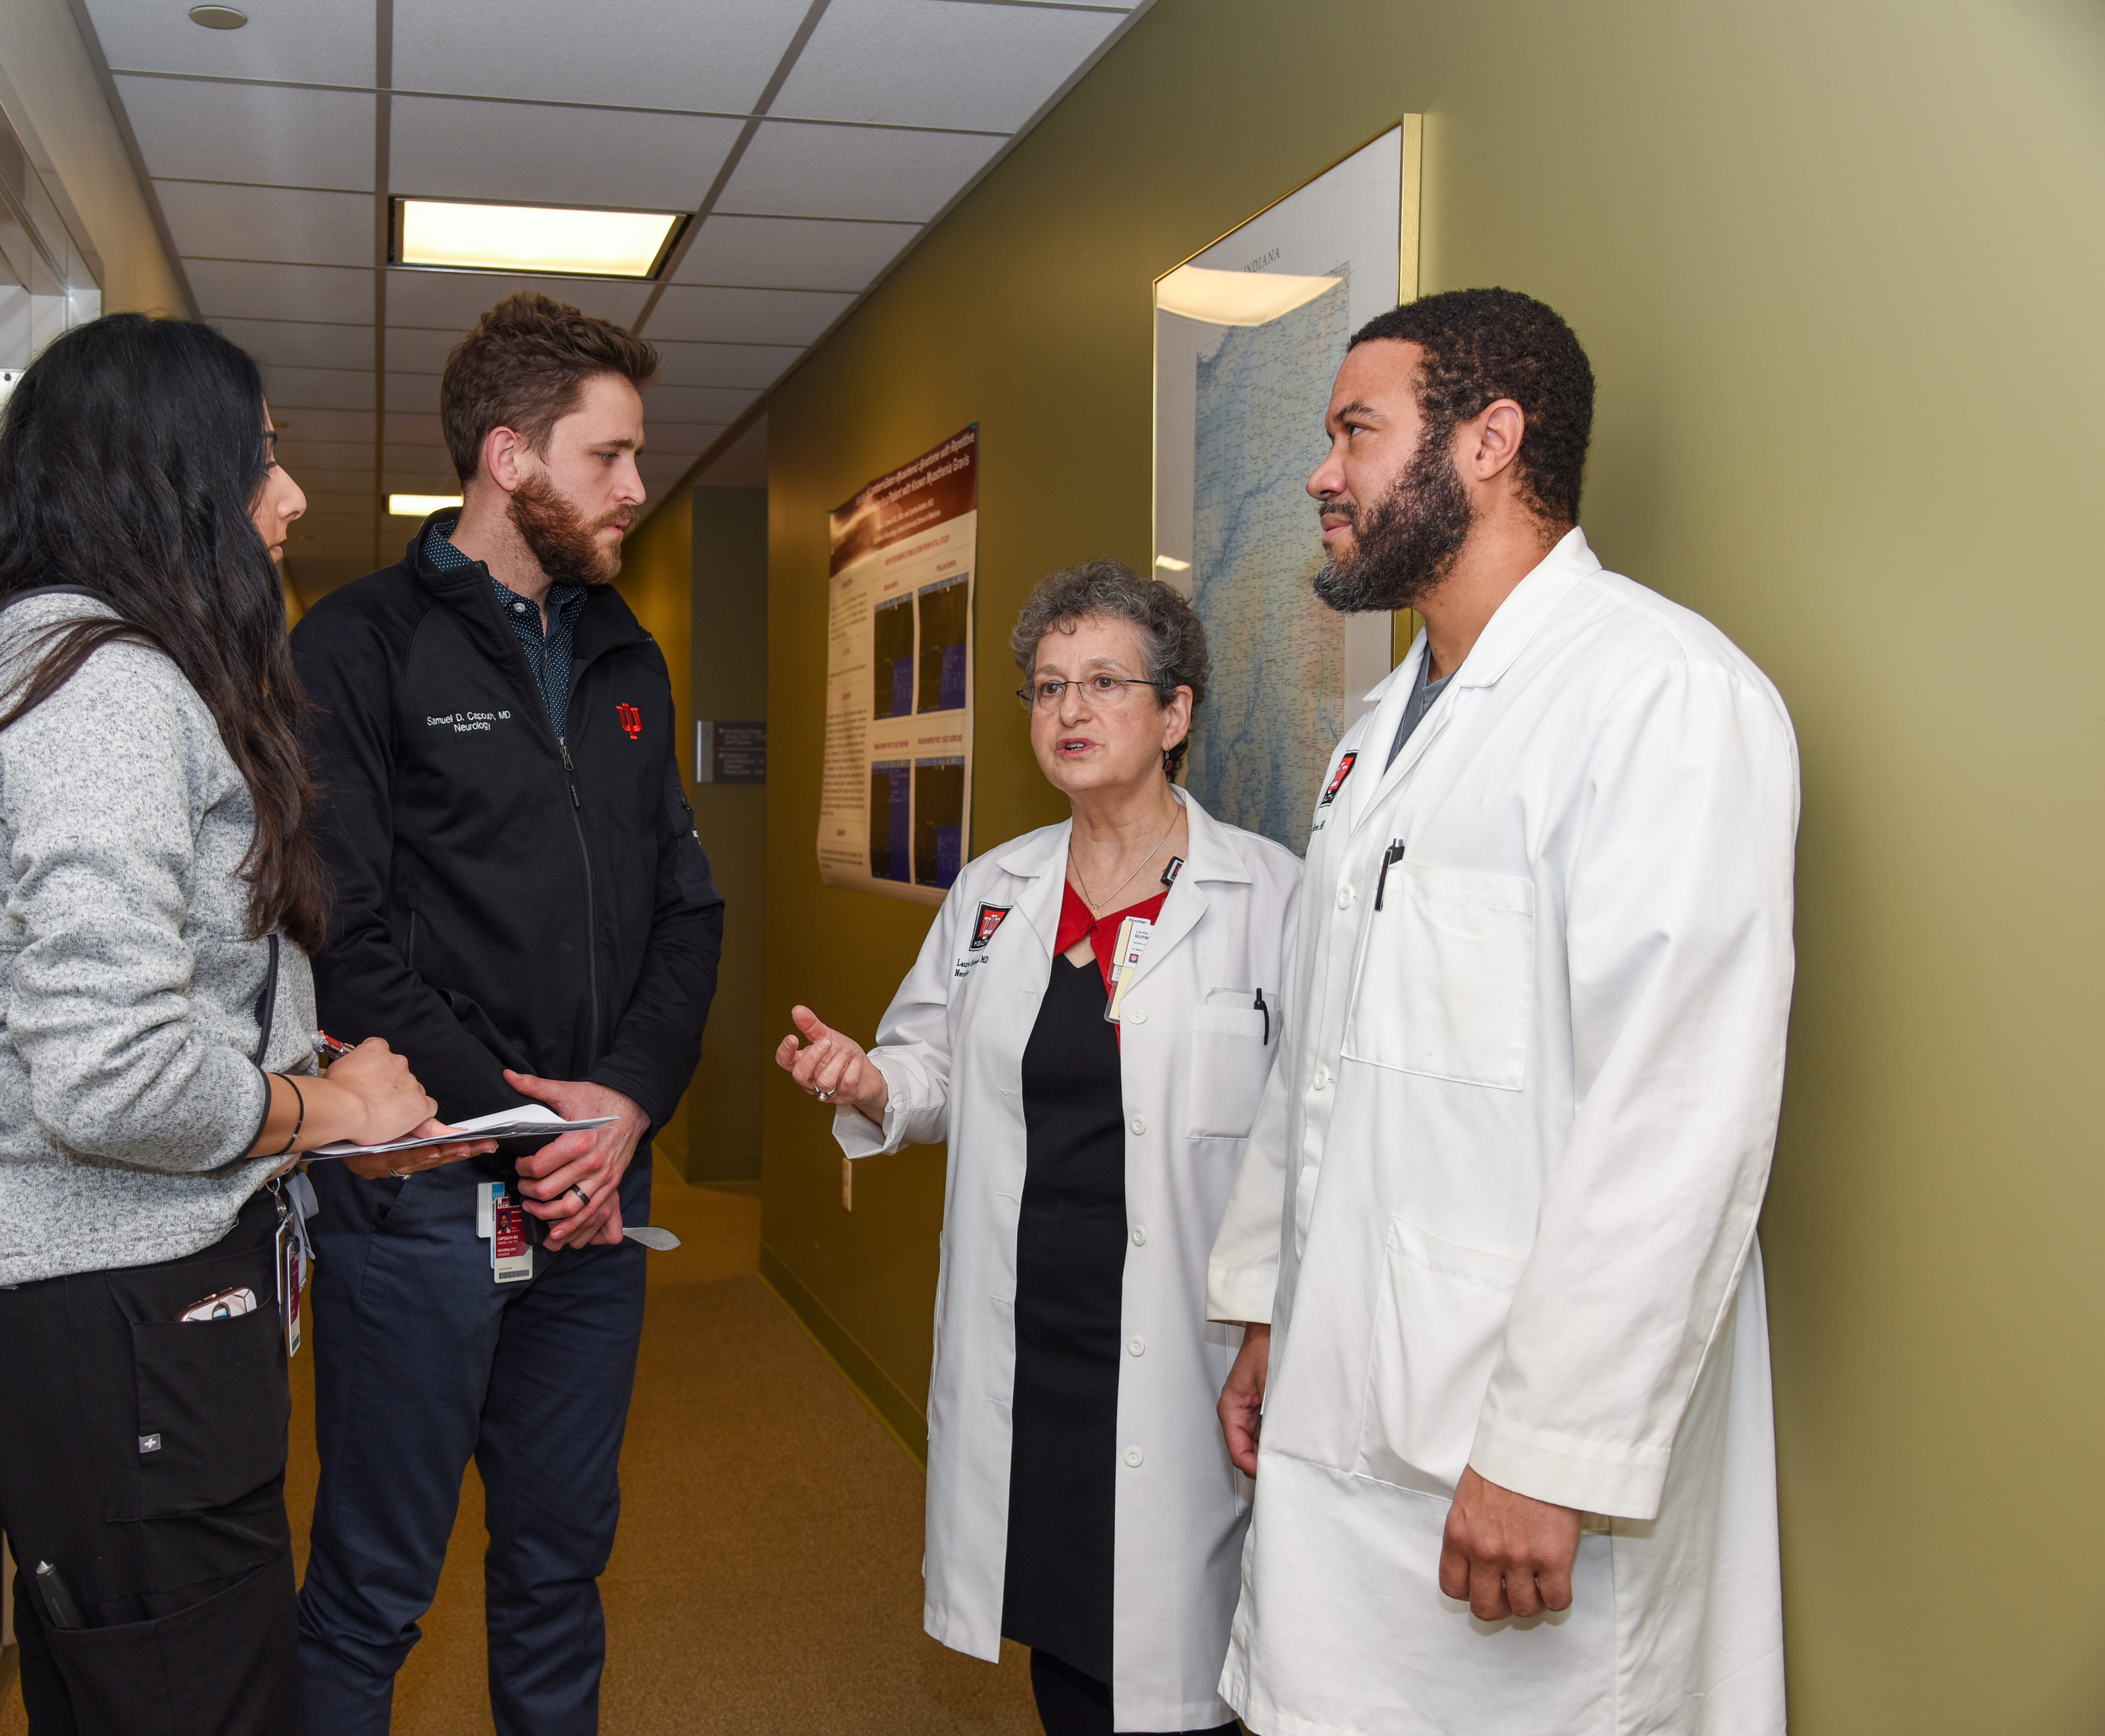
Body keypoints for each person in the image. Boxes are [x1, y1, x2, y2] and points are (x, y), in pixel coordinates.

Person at [0, 314, 490, 1736]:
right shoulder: (106, 691)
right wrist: (334, 1113)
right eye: (264, 457)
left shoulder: (66, 665)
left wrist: (314, 1093)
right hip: (115, 1313)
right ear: (171, 474)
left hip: (115, 1299)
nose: (293, 497)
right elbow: (111, 1074)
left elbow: (149, 1012)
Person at [1208, 288, 1796, 1735]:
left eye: (1357, 430)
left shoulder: (1660, 696)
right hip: (1355, 1387)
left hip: (1519, 1448)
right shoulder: (1374, 738)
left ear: (1491, 441)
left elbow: (1681, 1107)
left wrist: (1554, 1449)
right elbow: (1323, 1064)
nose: (1321, 474)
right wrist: (1271, 1305)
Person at [287, 292, 724, 1734]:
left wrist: (624, 1106)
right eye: (609, 456)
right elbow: (343, 936)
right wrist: (526, 1117)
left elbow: (688, 909)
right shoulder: (356, 647)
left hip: (596, 1199)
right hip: (422, 1199)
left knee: (556, 1568)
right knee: (373, 1584)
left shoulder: (629, 659)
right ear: (507, 458)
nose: (635, 489)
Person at [775, 561, 1302, 1736]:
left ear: (1175, 714)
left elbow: (1310, 1138)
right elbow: (936, 1071)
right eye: (1049, 685)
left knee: (1197, 1653)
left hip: (1188, 1338)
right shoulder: (994, 892)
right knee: (1067, 1625)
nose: (1069, 709)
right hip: (1037, 1331)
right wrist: (871, 1082)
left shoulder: (1270, 898)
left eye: (1106, 682)